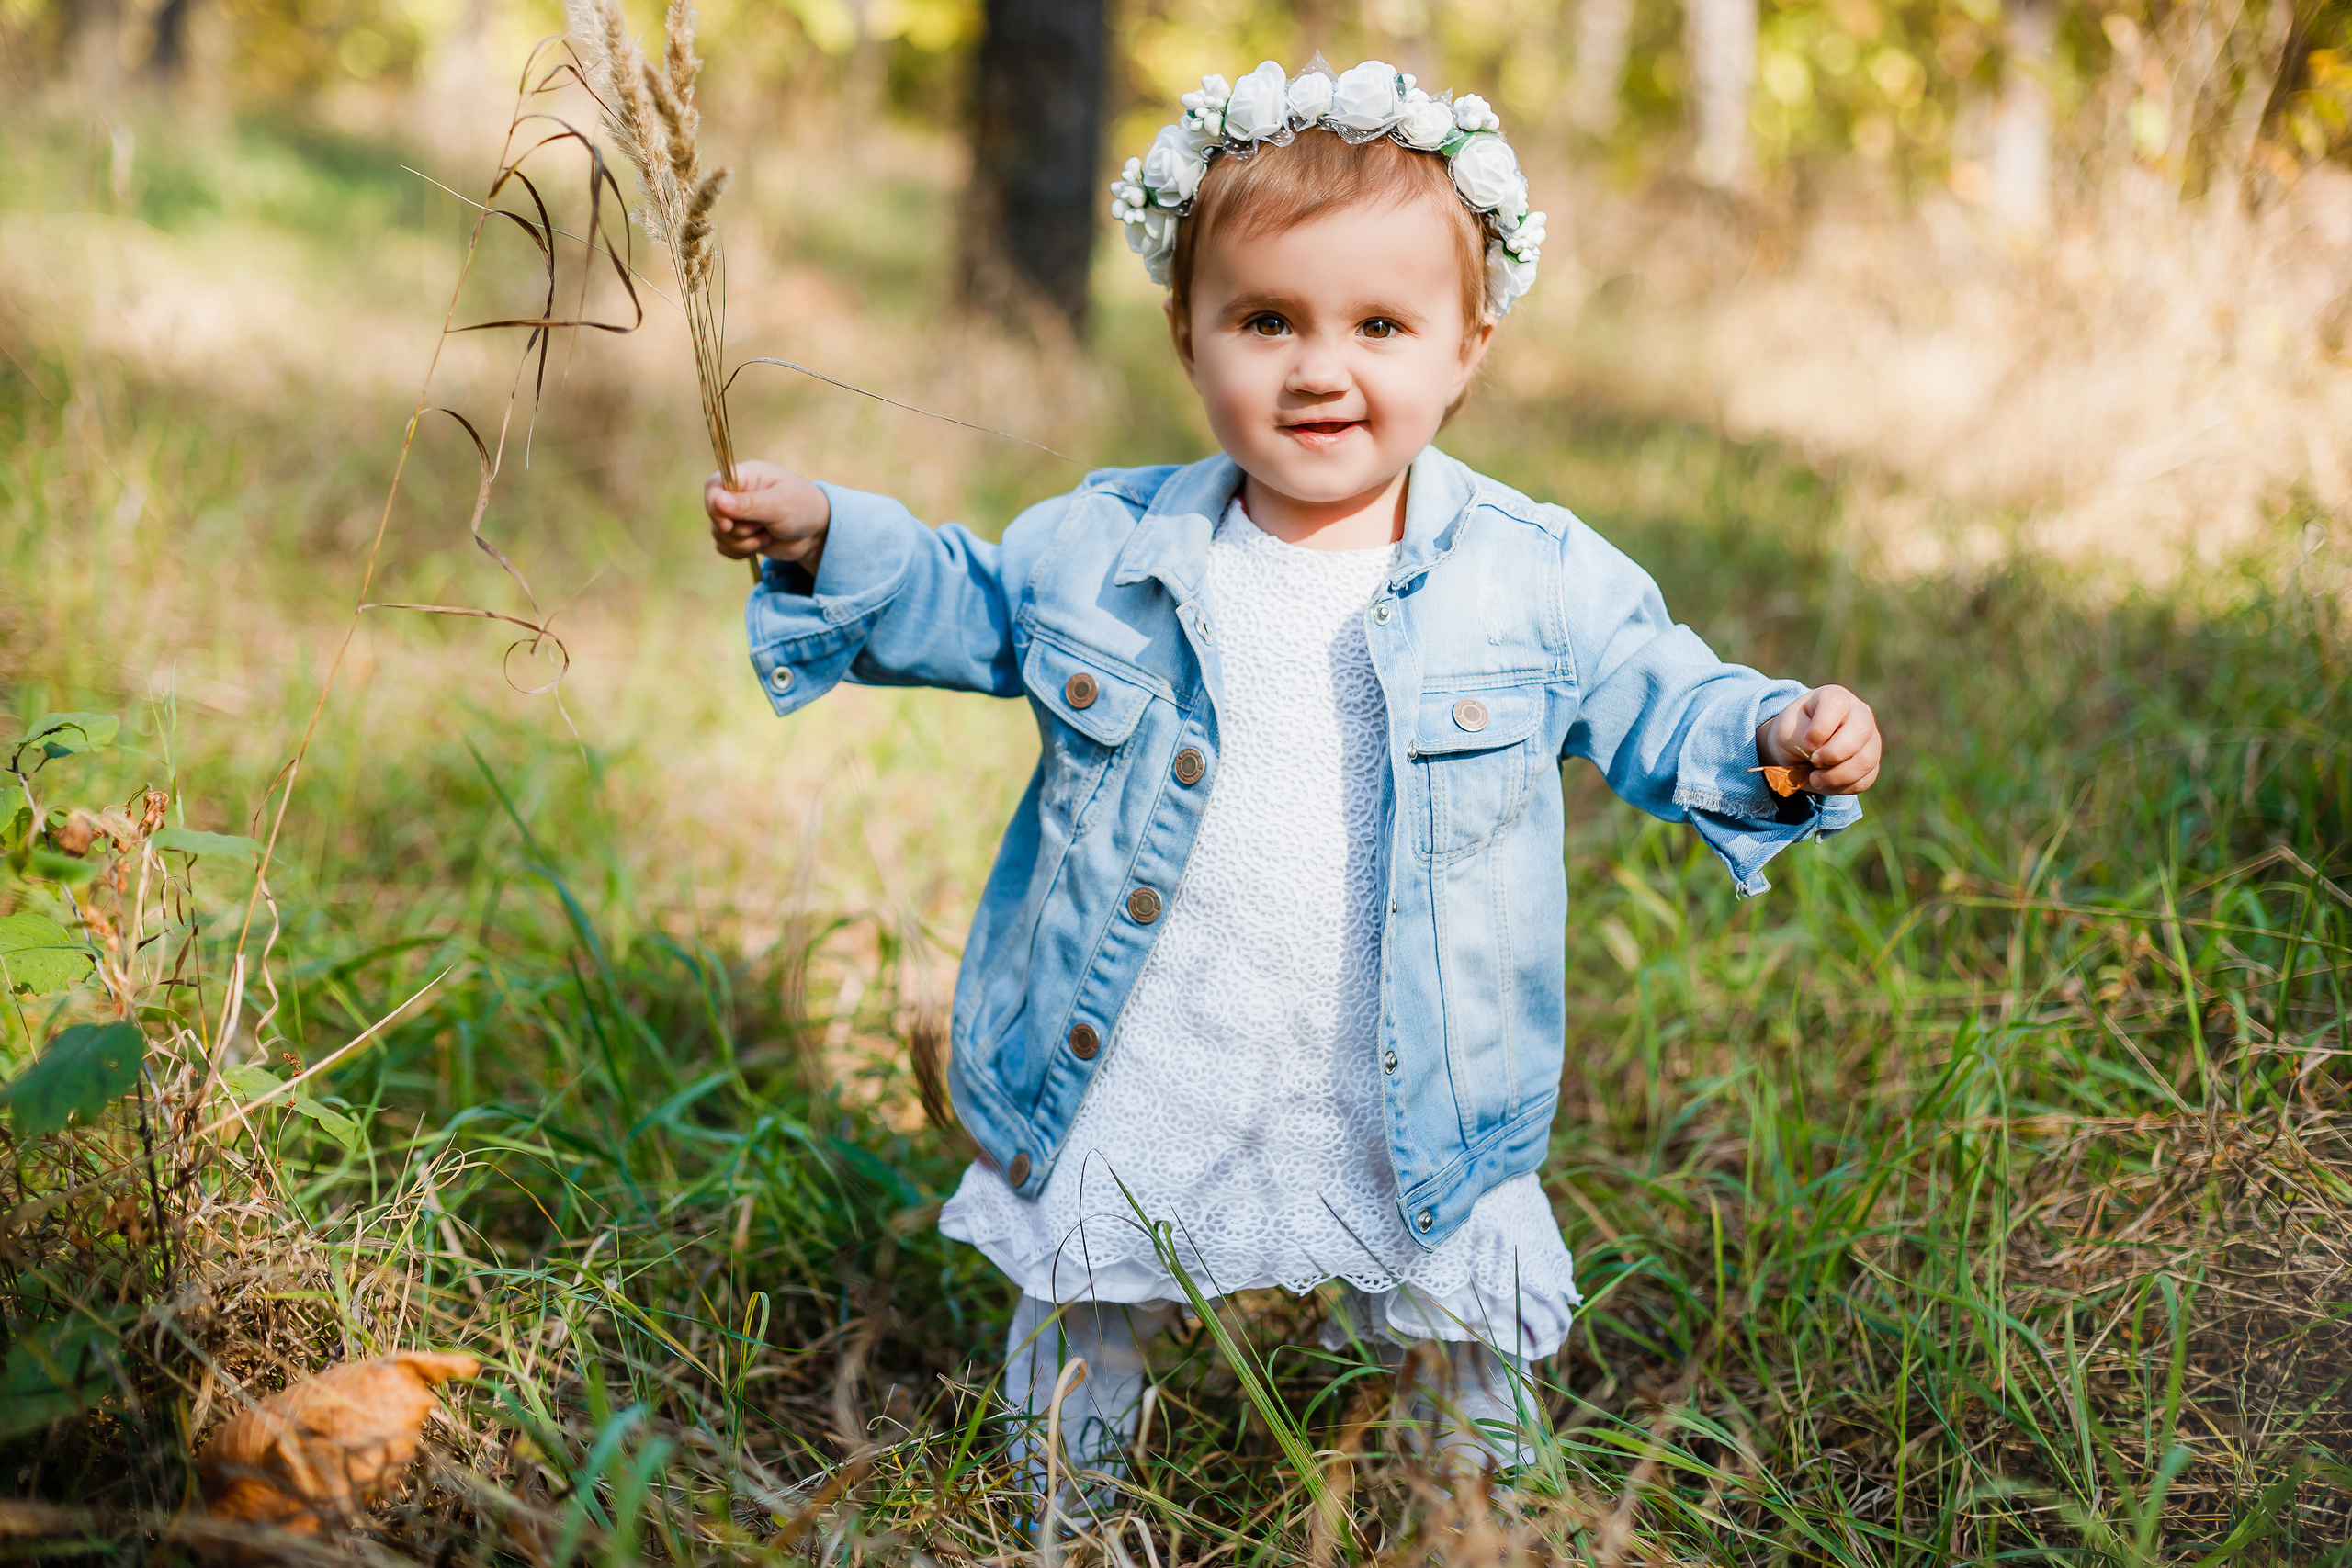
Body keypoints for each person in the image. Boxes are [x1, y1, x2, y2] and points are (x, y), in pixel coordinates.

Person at [700, 58, 1883, 1505]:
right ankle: (1060, 1510)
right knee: (1093, 1283)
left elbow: (1659, 692)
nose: (1321, 368)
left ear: (1470, 346)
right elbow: (975, 604)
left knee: (1457, 1319)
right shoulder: (1110, 547)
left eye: (1381, 324)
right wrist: (834, 537)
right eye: (1267, 320)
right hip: (1150, 1022)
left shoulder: (1532, 577)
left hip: (1398, 1063)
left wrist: (1778, 734)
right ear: (1190, 339)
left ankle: (1475, 1519)